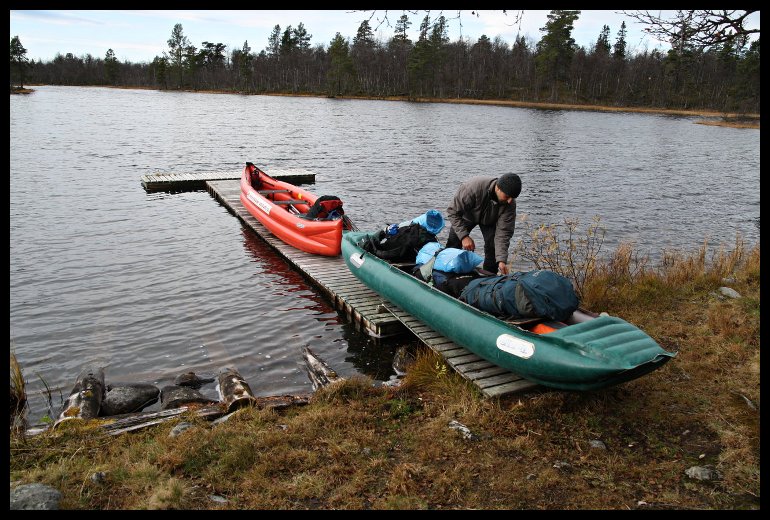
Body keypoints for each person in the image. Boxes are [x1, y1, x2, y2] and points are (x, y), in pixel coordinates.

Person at [445, 173, 521, 275]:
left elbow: (504, 233)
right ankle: (446, 273)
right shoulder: (472, 188)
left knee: (493, 249)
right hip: (466, 216)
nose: (509, 201)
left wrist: (501, 260)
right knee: (454, 242)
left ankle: (488, 280)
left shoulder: (509, 203)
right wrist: (464, 237)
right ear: (497, 188)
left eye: (513, 198)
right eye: (507, 196)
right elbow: (453, 212)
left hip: (490, 221)